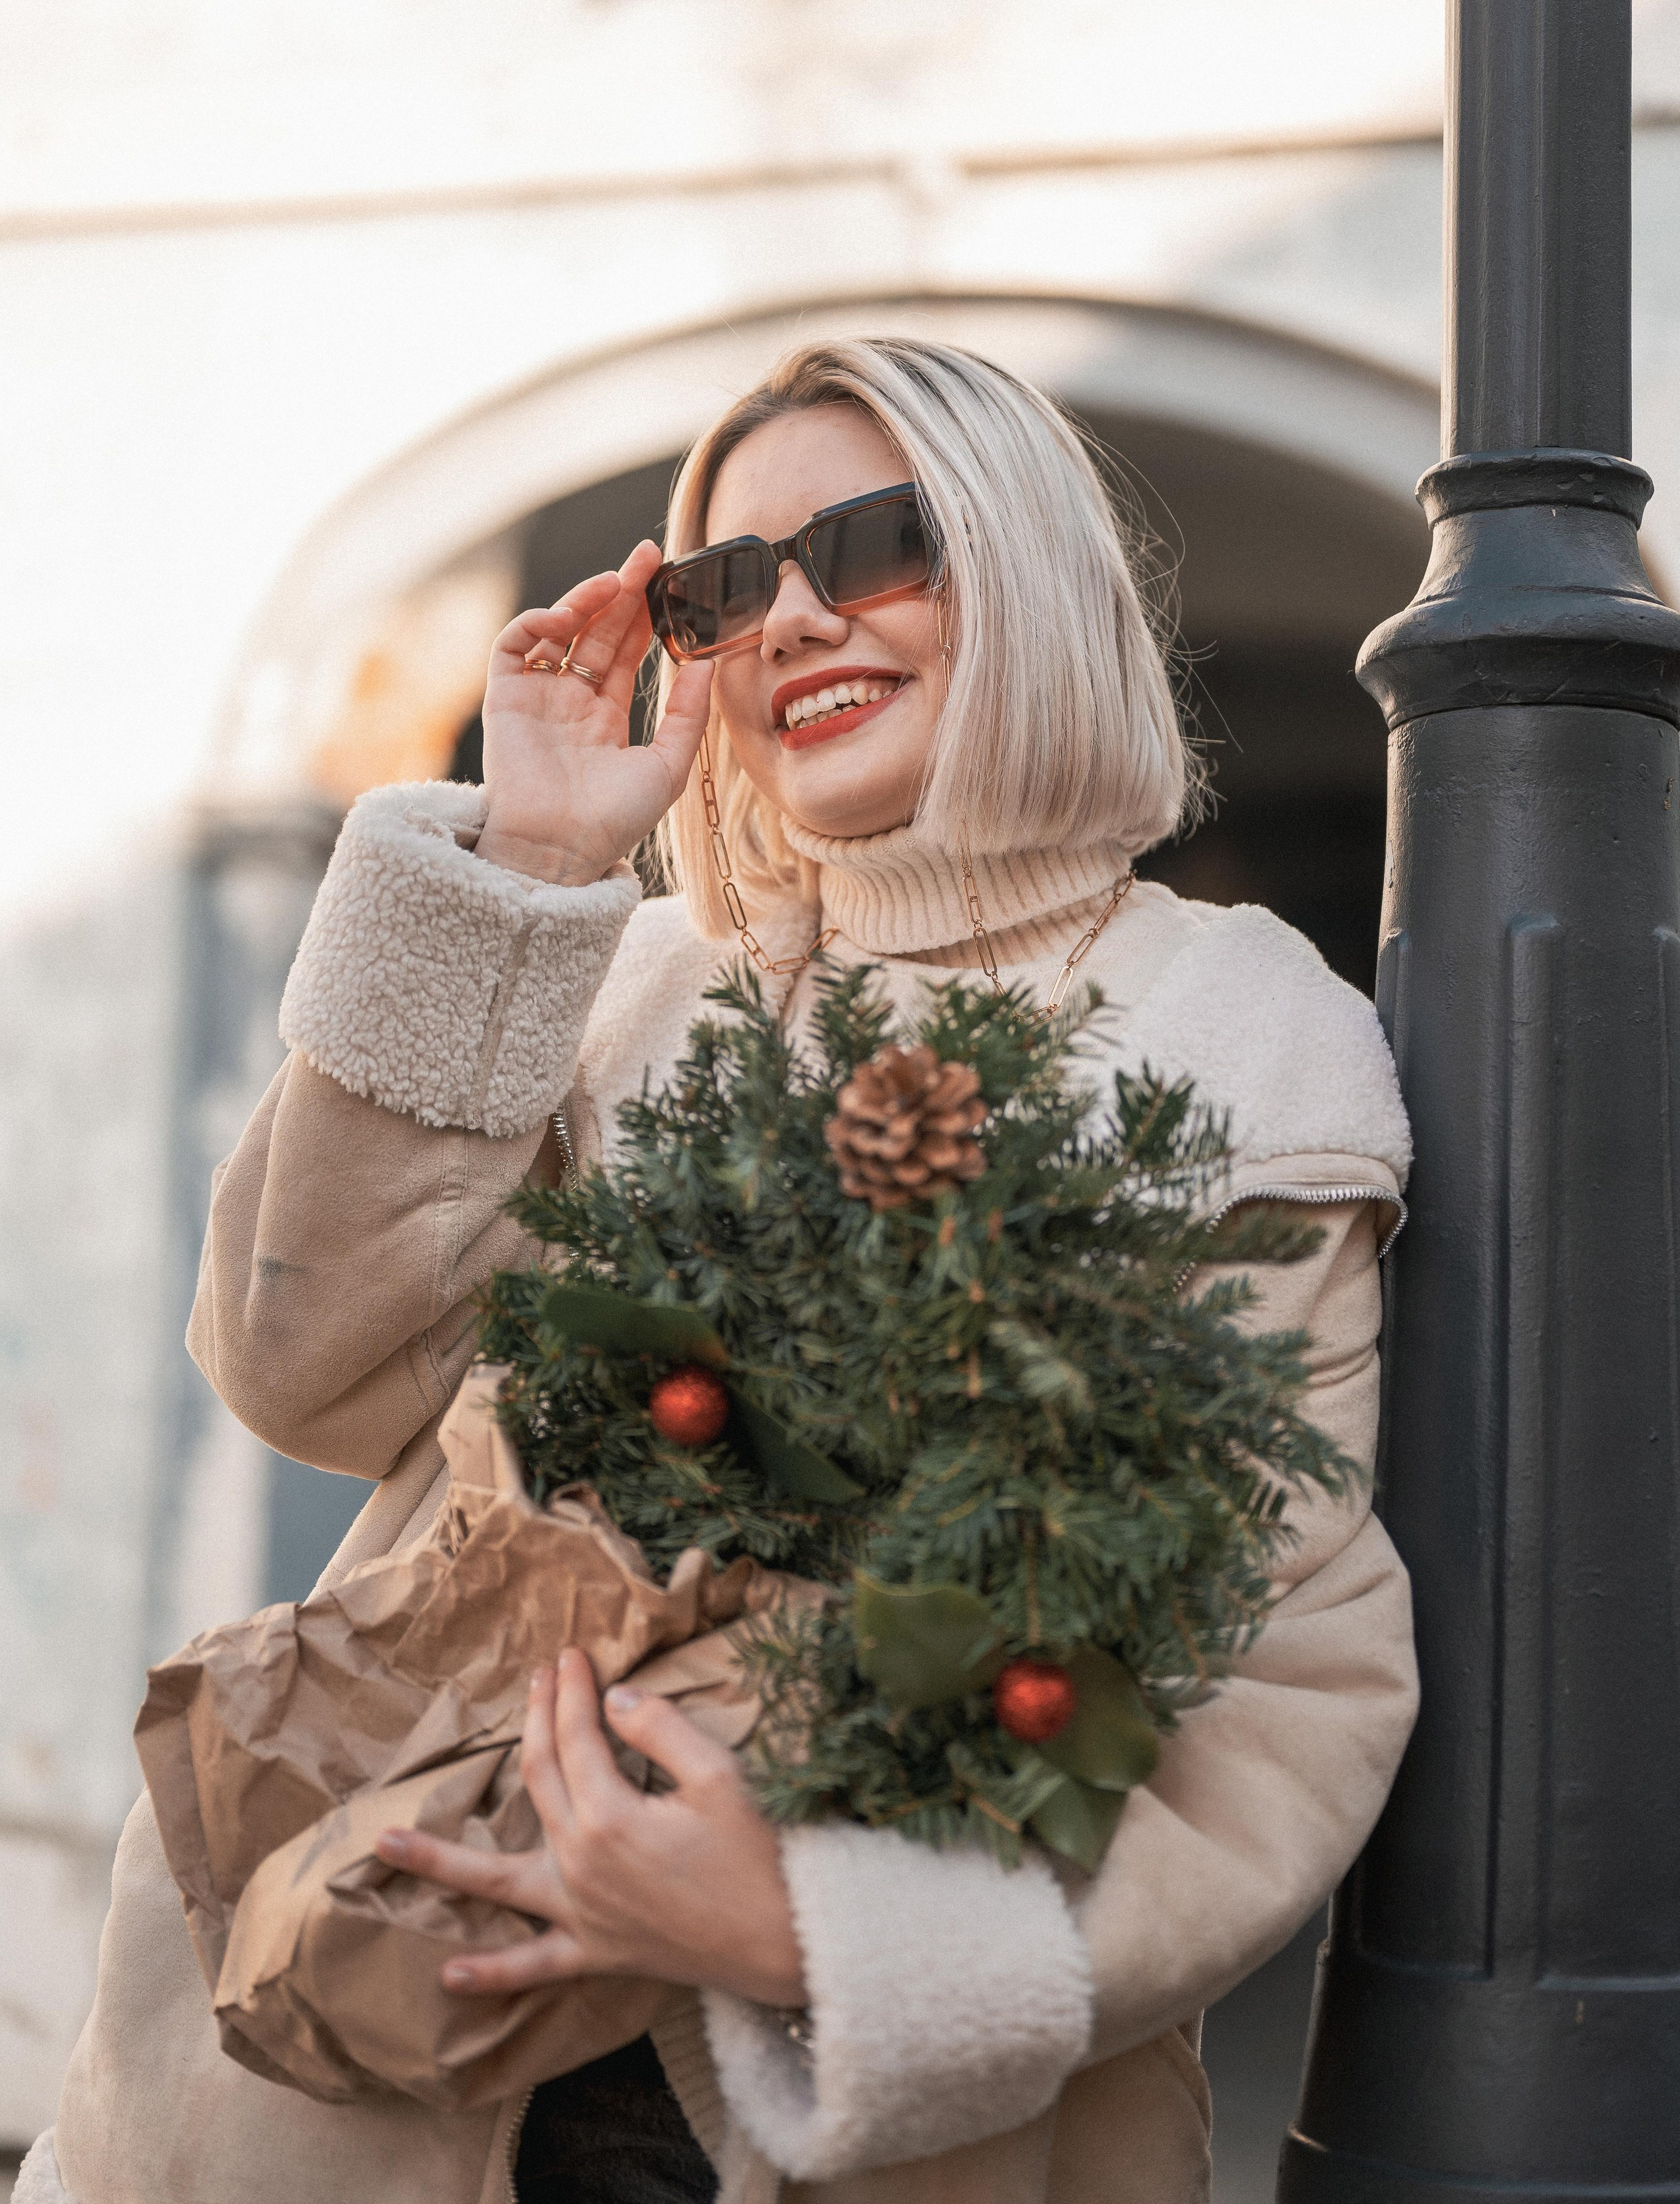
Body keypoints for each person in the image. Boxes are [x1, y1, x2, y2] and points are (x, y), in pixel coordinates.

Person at [36, 337, 1418, 2204]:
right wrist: (527, 864)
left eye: (867, 544)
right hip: (345, 2065)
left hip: (870, 2129)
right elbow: (308, 1373)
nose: (789, 620)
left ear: (1022, 563)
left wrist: (809, 1928)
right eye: (724, 586)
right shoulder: (619, 986)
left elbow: (1280, 1678)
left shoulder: (1235, 1037)